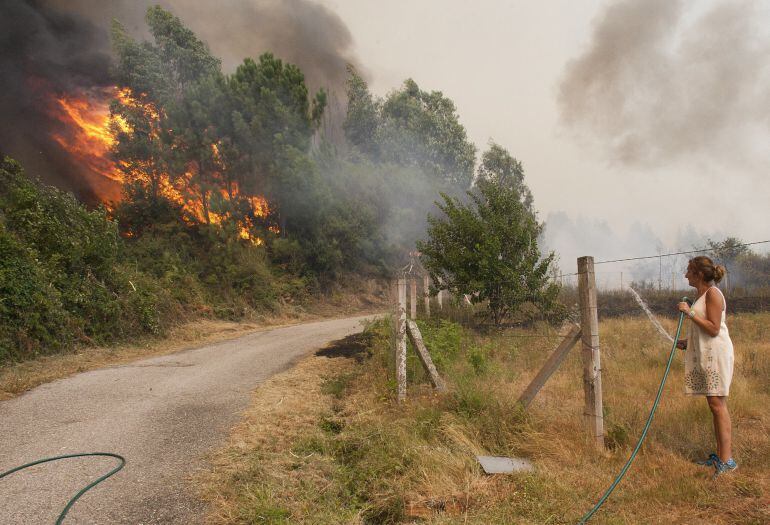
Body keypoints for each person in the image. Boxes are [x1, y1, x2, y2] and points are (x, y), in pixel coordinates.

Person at [676, 256, 736, 477]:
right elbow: (704, 329)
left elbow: (713, 329)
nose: (685, 275)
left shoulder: (713, 294)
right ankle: (721, 456)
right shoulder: (701, 295)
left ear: (699, 274)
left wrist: (689, 312)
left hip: (717, 355)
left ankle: (727, 461)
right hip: (707, 355)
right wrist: (687, 342)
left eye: (689, 271)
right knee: (714, 405)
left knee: (718, 405)